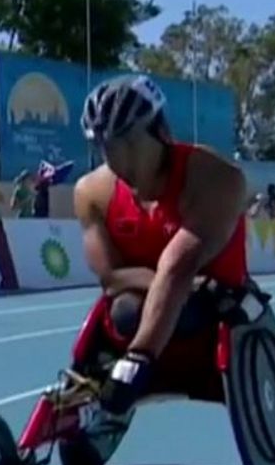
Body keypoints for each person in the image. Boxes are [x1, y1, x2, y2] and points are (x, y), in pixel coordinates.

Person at [72, 75, 249, 431]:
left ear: (158, 131)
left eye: (127, 142)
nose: (118, 158)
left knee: (181, 306)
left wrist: (137, 359)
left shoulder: (216, 177)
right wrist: (162, 287)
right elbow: (111, 277)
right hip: (145, 303)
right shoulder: (91, 192)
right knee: (123, 310)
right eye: (105, 146)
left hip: (215, 309)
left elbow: (179, 264)